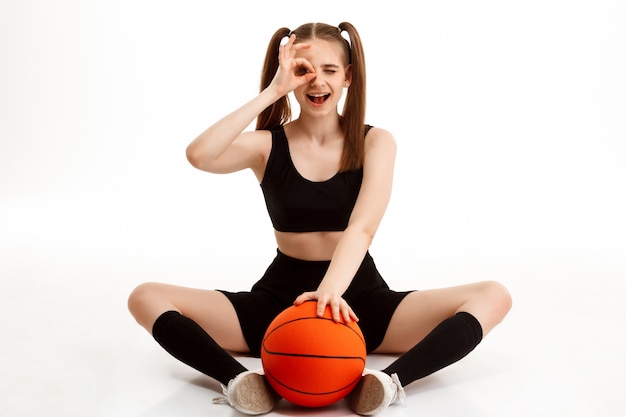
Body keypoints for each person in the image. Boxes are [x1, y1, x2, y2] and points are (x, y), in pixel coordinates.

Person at [128, 22, 512, 416]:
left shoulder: (376, 142)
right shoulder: (266, 146)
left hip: (358, 300)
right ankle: (239, 381)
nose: (317, 81)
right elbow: (200, 155)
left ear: (348, 76)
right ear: (290, 76)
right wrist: (271, 92)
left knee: (493, 294)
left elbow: (363, 227)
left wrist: (330, 293)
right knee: (145, 296)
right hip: (281, 303)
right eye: (303, 69)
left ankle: (388, 381)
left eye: (329, 70)